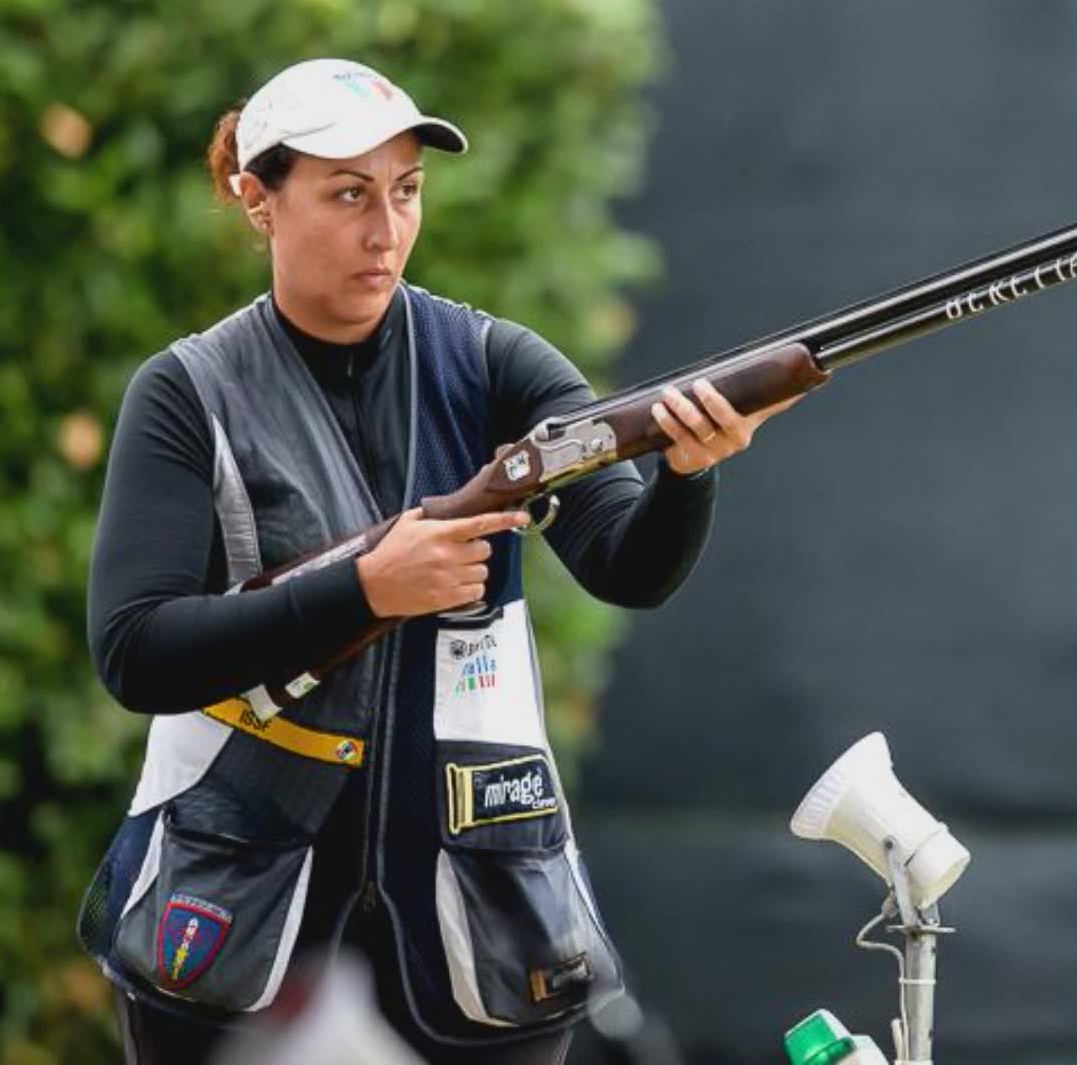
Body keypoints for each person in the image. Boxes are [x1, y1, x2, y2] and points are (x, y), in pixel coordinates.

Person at [75, 58, 799, 1064]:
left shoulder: (501, 364)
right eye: (348, 194)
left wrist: (687, 474)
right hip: (237, 915)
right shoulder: (187, 393)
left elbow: (624, 567)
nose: (387, 231)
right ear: (257, 199)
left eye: (406, 192)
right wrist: (363, 590)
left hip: (482, 914)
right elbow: (136, 651)